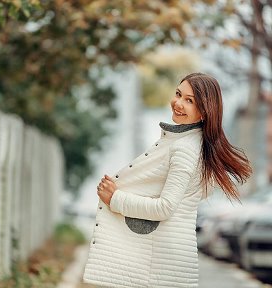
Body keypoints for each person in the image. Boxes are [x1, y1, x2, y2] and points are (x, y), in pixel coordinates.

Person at [83, 72, 252, 288]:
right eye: (178, 94)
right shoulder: (192, 144)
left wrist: (115, 198)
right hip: (163, 259)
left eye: (189, 101)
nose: (178, 103)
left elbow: (165, 208)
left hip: (160, 263)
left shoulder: (184, 149)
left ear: (204, 112)